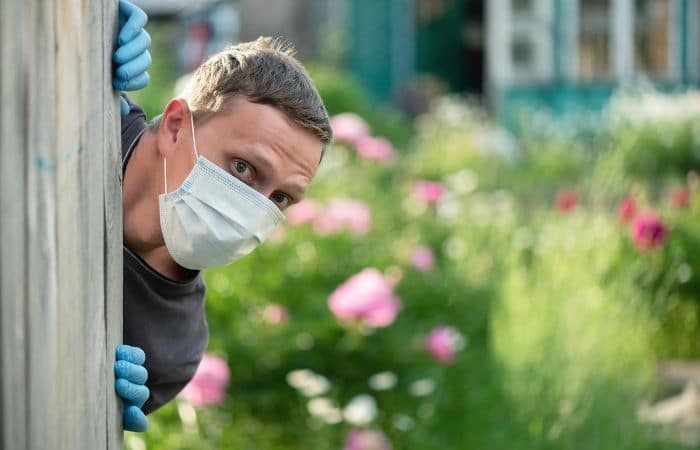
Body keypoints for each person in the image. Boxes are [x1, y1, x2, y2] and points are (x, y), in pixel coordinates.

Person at [111, 0, 332, 432]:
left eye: (282, 197)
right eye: (244, 168)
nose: (255, 207)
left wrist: (93, 408)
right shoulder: (95, 117)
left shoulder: (175, 348)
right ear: (176, 126)